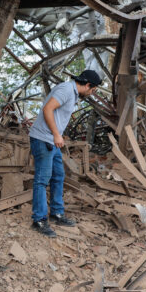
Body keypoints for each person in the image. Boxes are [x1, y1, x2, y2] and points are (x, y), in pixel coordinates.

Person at [28, 69, 101, 236]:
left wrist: (58, 134)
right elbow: (48, 109)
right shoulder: (66, 89)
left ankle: (56, 213)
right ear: (88, 85)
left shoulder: (73, 93)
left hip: (52, 141)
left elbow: (57, 114)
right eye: (93, 90)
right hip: (44, 139)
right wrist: (56, 134)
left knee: (59, 175)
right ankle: (38, 220)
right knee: (42, 180)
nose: (91, 93)